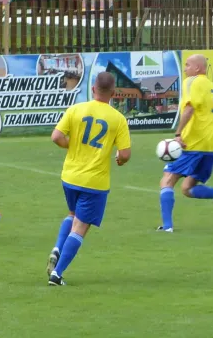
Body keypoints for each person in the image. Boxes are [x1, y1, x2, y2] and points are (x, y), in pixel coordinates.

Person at [46, 72, 132, 286]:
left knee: (73, 214)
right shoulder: (117, 119)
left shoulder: (76, 109)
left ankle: (58, 247)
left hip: (70, 176)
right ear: (113, 94)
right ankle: (57, 274)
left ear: (93, 89)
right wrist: (120, 159)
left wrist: (71, 145)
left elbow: (56, 137)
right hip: (95, 182)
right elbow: (125, 154)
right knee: (81, 227)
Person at [157, 54, 213, 233]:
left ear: (198, 68)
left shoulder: (192, 81)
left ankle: (167, 228)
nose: (185, 68)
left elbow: (189, 108)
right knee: (187, 188)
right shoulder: (209, 84)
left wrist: (178, 134)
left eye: (188, 65)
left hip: (194, 143)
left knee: (167, 180)